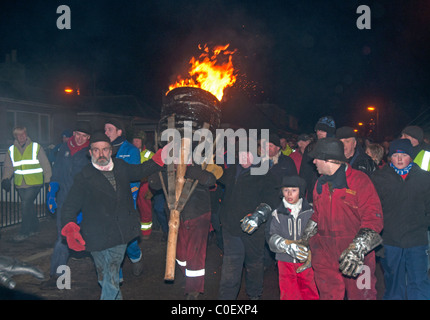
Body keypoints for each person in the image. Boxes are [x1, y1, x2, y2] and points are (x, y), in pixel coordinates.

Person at [59, 131, 165, 300]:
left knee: (112, 273)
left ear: (110, 151)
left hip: (120, 231)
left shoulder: (121, 166)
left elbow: (139, 171)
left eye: (105, 149)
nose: (101, 154)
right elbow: (70, 205)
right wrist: (69, 227)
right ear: (91, 152)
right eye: (96, 150)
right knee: (105, 277)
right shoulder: (84, 177)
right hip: (95, 235)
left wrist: (160, 158)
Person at [294, 137, 383, 300]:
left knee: (363, 296)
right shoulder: (320, 184)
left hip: (355, 255)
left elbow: (373, 219)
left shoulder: (359, 181)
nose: (313, 161)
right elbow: (317, 216)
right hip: (325, 254)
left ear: (328, 159)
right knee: (329, 296)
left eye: (317, 158)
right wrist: (304, 242)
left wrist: (357, 249)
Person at [149, 162, 222, 299]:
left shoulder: (198, 165)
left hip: (198, 215)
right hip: (176, 217)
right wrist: (159, 166)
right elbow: (154, 183)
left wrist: (194, 172)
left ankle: (194, 289)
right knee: (181, 254)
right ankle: (187, 275)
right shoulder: (169, 169)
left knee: (195, 254)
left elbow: (211, 180)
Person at [371, 139, 430, 300]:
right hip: (391, 241)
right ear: (390, 157)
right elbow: (374, 209)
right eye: (395, 155)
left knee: (418, 282)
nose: (399, 159)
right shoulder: (380, 178)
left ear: (410, 157)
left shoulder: (424, 178)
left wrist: (422, 224)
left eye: (403, 155)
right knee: (393, 284)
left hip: (417, 240)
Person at [218, 150, 277, 300]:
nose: (244, 157)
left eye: (248, 154)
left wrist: (260, 214)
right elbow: (219, 183)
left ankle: (254, 294)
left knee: (254, 264)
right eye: (241, 153)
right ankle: (226, 298)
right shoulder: (231, 171)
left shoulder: (264, 174)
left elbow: (272, 198)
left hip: (253, 230)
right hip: (231, 227)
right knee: (230, 264)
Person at [43, 121, 92, 286]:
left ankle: (107, 273)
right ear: (74, 133)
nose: (80, 138)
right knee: (62, 238)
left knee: (91, 237)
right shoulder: (64, 148)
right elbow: (56, 173)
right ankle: (57, 277)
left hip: (83, 202)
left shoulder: (90, 153)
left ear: (89, 138)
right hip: (64, 200)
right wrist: (52, 192)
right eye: (78, 134)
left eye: (84, 136)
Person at [267, 175, 319, 300]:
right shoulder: (277, 214)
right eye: (286, 190)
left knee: (309, 292)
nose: (289, 194)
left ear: (300, 191)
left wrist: (312, 252)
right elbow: (271, 236)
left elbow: (317, 234)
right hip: (285, 261)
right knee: (288, 294)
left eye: (294, 190)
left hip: (306, 260)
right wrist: (286, 245)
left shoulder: (311, 212)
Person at [104, 119, 143, 277]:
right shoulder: (103, 149)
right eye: (105, 129)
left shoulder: (131, 150)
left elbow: (134, 177)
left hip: (125, 202)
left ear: (119, 132)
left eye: (109, 129)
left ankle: (136, 256)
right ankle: (116, 277)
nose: (106, 132)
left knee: (129, 239)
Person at [1, 126, 52, 242]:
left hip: (34, 183)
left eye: (23, 134)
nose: (22, 137)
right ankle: (35, 227)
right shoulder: (11, 150)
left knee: (25, 204)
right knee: (28, 206)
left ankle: (24, 232)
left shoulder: (36, 147)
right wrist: (6, 178)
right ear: (15, 137)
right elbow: (8, 166)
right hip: (20, 183)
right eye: (19, 135)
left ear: (26, 134)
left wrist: (48, 179)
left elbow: (45, 164)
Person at [299, 115, 336, 203]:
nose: (319, 133)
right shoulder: (311, 148)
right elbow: (304, 173)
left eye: (322, 130)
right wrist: (301, 194)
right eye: (318, 130)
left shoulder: (337, 148)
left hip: (333, 193)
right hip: (314, 192)